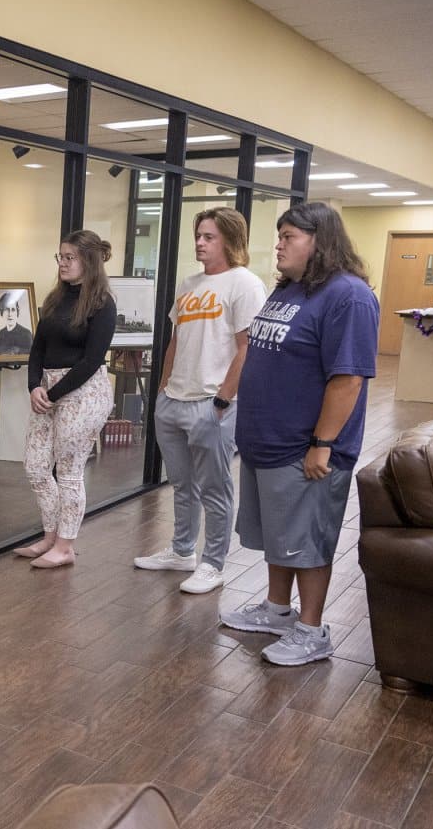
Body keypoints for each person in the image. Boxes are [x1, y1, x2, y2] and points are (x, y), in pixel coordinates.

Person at [220, 202, 378, 666]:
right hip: (266, 441)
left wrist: (322, 443)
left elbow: (348, 379)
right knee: (279, 535)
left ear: (320, 241)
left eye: (289, 236)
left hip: (306, 449)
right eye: (280, 235)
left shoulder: (348, 297)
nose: (279, 244)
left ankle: (312, 629)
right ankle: (276, 610)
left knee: (307, 542)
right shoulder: (291, 289)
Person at [133, 208, 266, 593]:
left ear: (229, 240)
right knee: (181, 484)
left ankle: (213, 563)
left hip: (212, 403)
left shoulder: (245, 284)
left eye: (208, 236)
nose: (199, 243)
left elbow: (247, 348)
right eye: (198, 235)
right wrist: (161, 389)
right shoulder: (189, 284)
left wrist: (224, 399)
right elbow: (177, 340)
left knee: (215, 488)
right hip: (173, 400)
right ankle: (181, 551)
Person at [12, 230, 117, 568]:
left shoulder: (102, 304)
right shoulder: (55, 299)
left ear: (89, 261)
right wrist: (34, 387)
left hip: (83, 394)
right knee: (36, 465)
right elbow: (38, 347)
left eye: (69, 257)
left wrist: (53, 394)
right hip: (48, 391)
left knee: (69, 472)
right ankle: (50, 535)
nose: (63, 263)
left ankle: (65, 545)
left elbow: (90, 360)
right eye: (60, 257)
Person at [0, 290, 34, 355]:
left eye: (13, 310)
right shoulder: (1, 333)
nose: (10, 314)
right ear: (1, 312)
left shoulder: (26, 334)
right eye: (7, 310)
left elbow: (31, 356)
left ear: (17, 312)